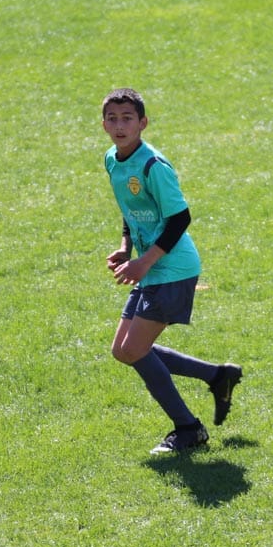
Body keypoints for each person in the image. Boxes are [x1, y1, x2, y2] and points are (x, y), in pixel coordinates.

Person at [102, 87, 242, 454]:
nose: (120, 126)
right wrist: (125, 247)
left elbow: (180, 218)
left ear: (143, 123)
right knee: (123, 350)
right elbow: (130, 208)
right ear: (103, 125)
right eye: (113, 119)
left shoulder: (153, 166)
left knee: (134, 349)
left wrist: (144, 261)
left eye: (127, 118)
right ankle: (218, 376)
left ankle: (188, 428)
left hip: (173, 269)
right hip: (150, 267)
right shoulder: (113, 160)